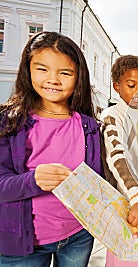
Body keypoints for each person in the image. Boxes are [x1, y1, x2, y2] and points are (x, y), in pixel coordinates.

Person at [0, 31, 101, 266]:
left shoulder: (90, 126)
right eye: (42, 69)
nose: (53, 79)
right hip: (22, 244)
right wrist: (33, 180)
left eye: (65, 73)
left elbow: (99, 181)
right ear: (28, 70)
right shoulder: (8, 122)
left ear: (78, 77)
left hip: (78, 235)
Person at [100, 55, 138, 237]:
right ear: (117, 86)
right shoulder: (112, 115)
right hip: (131, 200)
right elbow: (118, 156)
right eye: (132, 85)